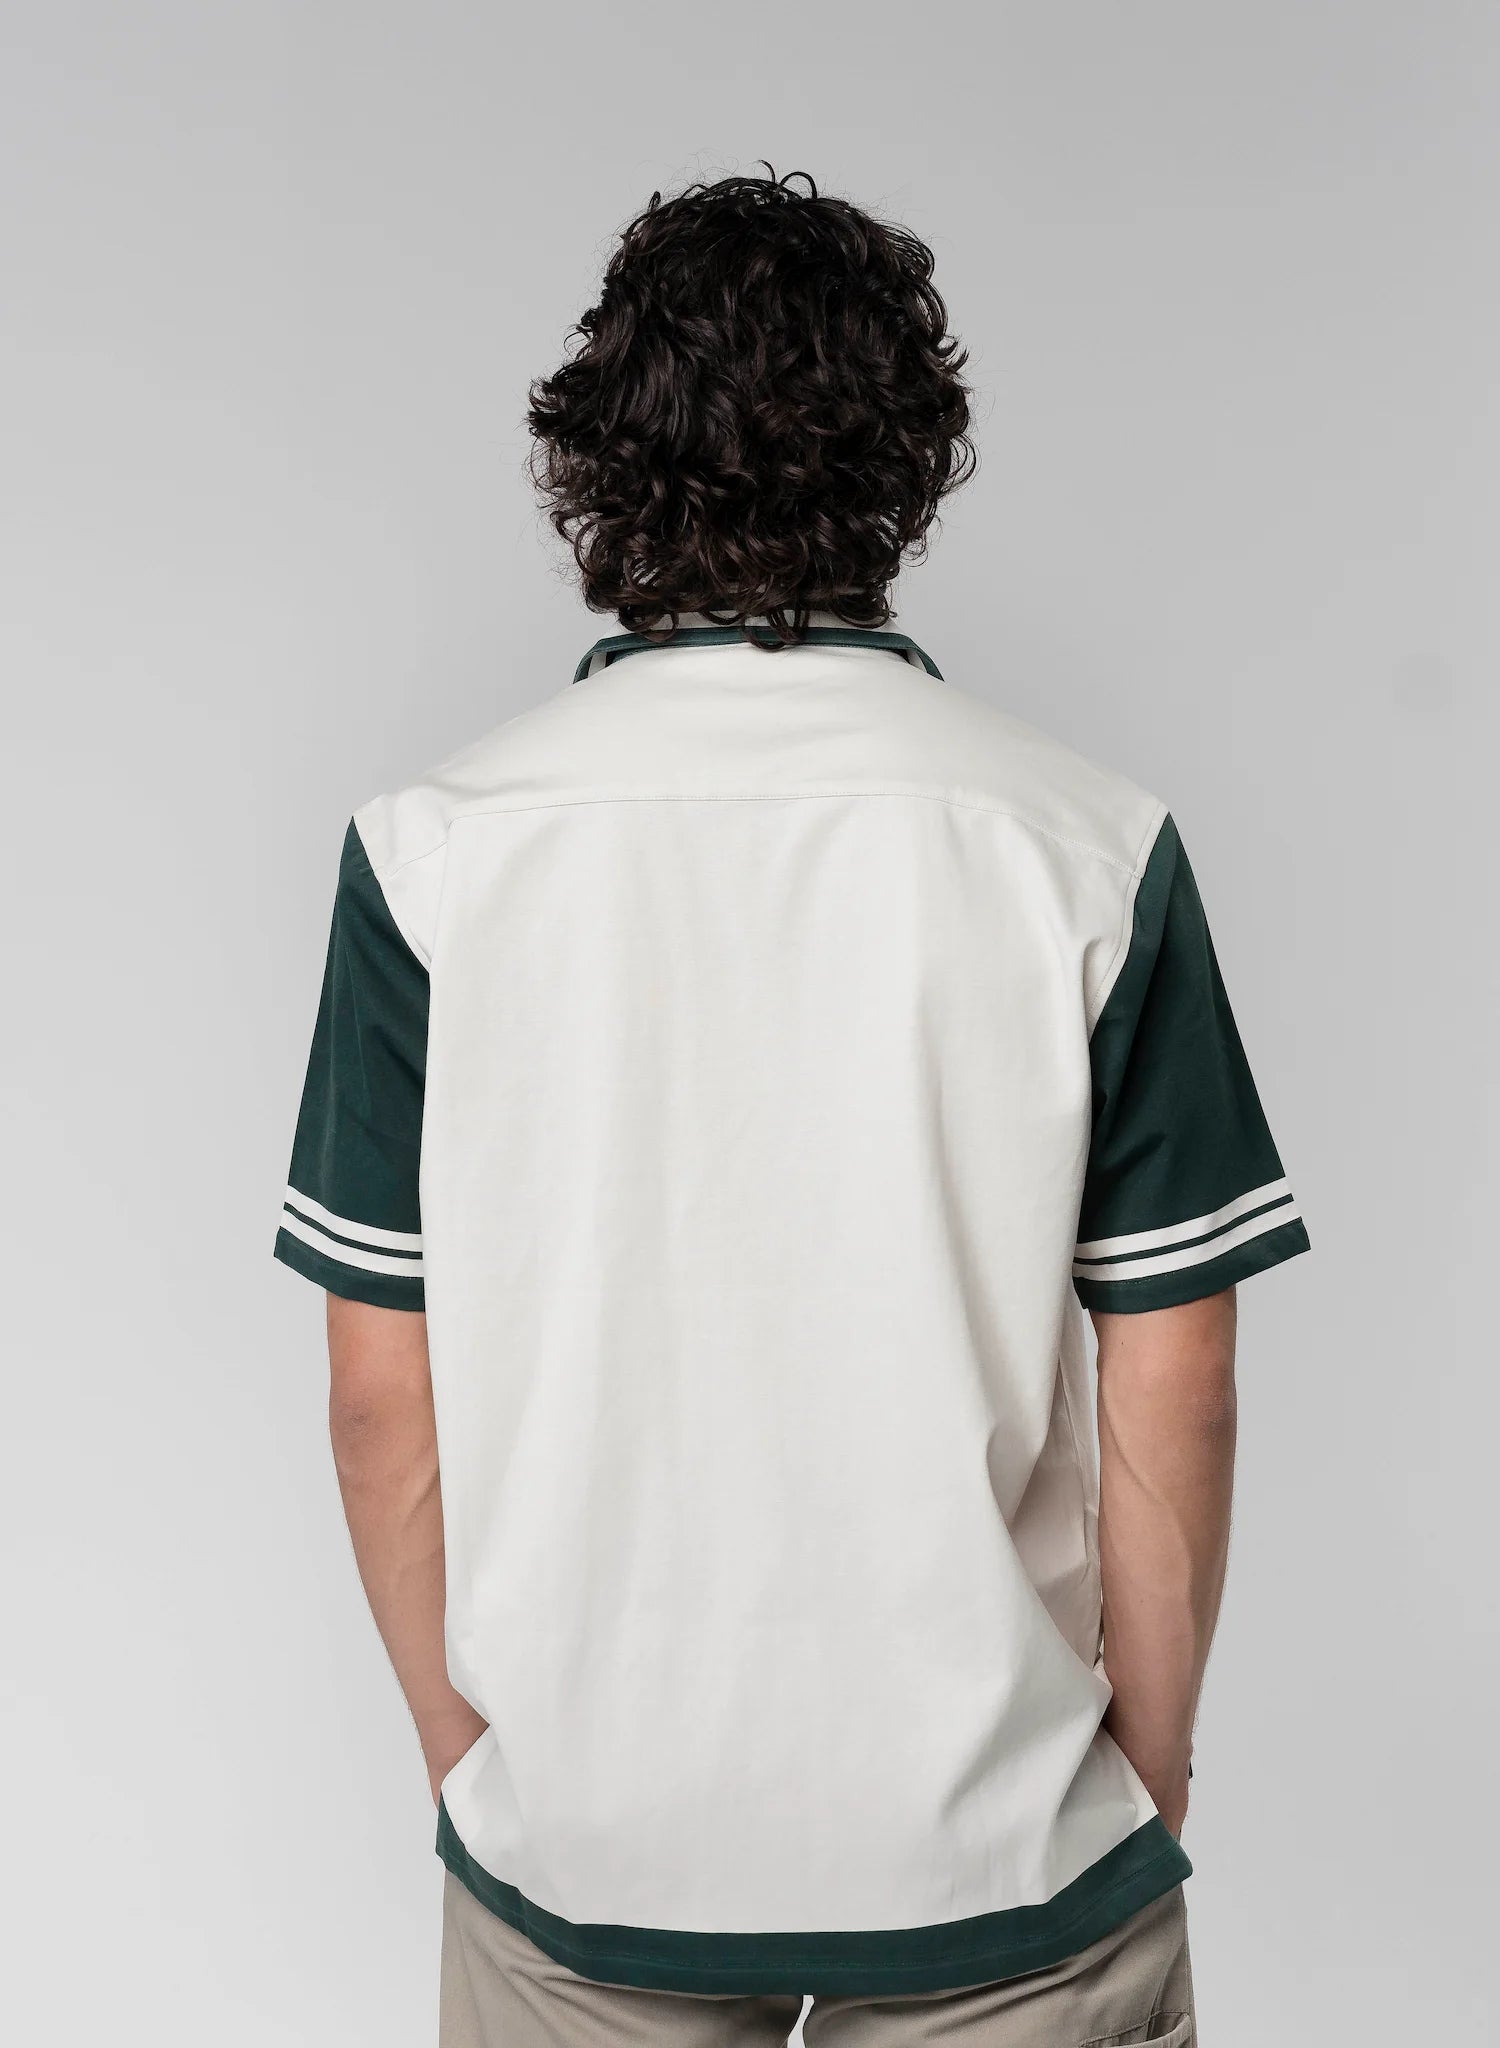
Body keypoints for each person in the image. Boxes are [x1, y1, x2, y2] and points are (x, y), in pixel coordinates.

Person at [274, 169, 1308, 2046]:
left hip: (583, 1851)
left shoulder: (432, 856)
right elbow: (1181, 1370)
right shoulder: (1086, 844)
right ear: (906, 466)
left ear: (600, 457)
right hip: (1007, 1852)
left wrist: (476, 1770)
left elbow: (375, 1394)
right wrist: (1147, 1777)